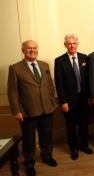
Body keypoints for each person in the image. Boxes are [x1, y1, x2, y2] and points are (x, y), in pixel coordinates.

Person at [7, 40, 58, 176]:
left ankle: (47, 155)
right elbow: (12, 92)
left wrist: (52, 100)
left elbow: (50, 85)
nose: (32, 50)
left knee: (46, 135)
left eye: (34, 48)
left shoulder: (44, 65)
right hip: (27, 111)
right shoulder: (15, 68)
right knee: (29, 139)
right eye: (29, 48)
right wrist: (16, 111)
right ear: (23, 50)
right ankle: (29, 163)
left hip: (47, 108)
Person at [54, 34, 94, 161]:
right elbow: (59, 83)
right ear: (65, 45)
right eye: (69, 43)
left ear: (77, 44)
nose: (71, 46)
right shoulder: (59, 61)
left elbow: (88, 79)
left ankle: (84, 146)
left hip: (83, 99)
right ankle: (74, 149)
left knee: (84, 125)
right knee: (71, 126)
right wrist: (63, 101)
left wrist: (89, 96)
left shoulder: (84, 58)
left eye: (74, 43)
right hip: (69, 100)